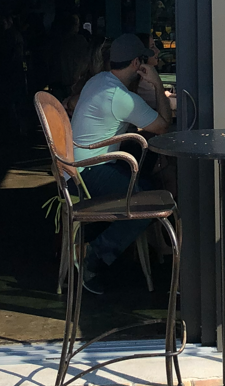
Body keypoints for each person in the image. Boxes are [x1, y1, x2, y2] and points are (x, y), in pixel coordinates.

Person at [71, 33, 172, 293]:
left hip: (78, 170)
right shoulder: (119, 96)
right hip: (87, 175)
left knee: (147, 184)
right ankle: (92, 258)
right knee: (147, 203)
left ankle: (98, 241)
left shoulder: (99, 81)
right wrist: (158, 84)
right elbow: (163, 125)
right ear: (137, 63)